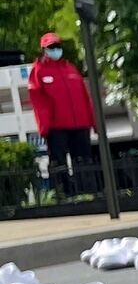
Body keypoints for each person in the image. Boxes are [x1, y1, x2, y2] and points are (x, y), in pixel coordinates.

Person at [25, 32, 97, 197]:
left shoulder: (70, 68)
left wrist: (93, 122)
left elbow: (85, 98)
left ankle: (88, 193)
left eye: (57, 46)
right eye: (51, 47)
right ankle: (64, 194)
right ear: (44, 49)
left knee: (84, 161)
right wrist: (45, 127)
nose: (55, 50)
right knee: (59, 163)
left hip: (80, 124)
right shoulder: (39, 71)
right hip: (57, 127)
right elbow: (38, 101)